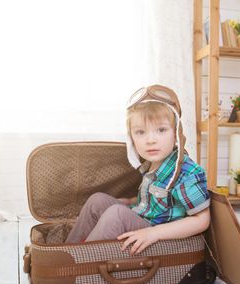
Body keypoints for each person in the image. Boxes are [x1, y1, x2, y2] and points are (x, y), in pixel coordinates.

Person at [64, 84, 210, 255]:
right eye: (140, 132)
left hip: (163, 237)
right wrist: (128, 202)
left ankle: (79, 263)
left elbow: (202, 220)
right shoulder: (151, 164)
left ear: (176, 133)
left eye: (161, 130)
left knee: (116, 214)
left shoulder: (187, 172)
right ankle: (66, 252)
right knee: (98, 201)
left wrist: (154, 233)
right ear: (131, 137)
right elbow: (151, 202)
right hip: (144, 220)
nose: (150, 140)